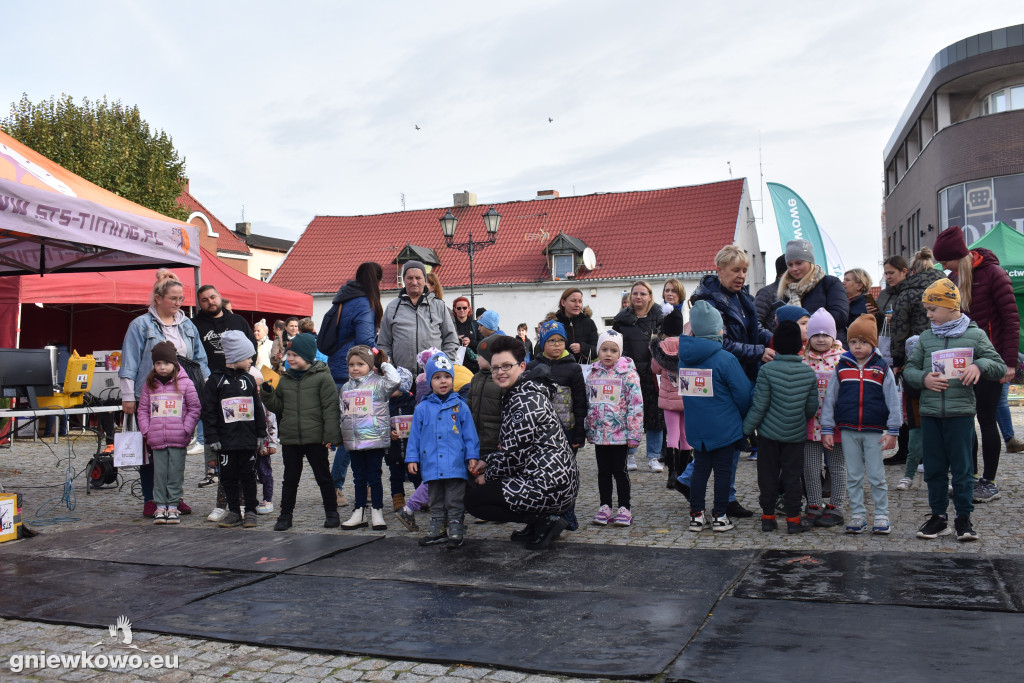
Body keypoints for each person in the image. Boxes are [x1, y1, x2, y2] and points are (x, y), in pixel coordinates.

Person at [903, 279, 1006, 541]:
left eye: (932, 309)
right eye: (927, 309)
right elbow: (910, 369)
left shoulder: (975, 335)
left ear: (951, 307)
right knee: (934, 469)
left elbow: (999, 366)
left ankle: (964, 518)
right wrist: (924, 379)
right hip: (930, 413)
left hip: (961, 414)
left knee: (962, 469)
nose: (928, 315)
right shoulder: (926, 338)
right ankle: (938, 517)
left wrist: (979, 365)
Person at [464, 335, 580, 550]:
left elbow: (515, 457)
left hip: (549, 486)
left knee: (474, 500)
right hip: (550, 480)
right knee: (482, 487)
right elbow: (516, 448)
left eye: (506, 366)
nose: (500, 372)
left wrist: (486, 475)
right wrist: (487, 461)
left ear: (522, 366)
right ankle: (536, 522)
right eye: (495, 368)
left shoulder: (524, 400)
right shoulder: (521, 392)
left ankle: (545, 520)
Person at [683, 245, 773, 518]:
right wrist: (758, 351)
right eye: (736, 270)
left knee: (728, 441)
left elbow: (754, 329)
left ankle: (691, 482)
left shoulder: (741, 298)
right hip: (723, 377)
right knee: (729, 439)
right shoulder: (708, 302)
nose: (742, 275)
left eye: (744, 270)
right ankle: (723, 498)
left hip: (740, 372)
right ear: (719, 270)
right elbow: (721, 343)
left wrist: (779, 338)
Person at [932, 225, 1020, 503]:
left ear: (958, 256)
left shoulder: (995, 274)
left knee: (986, 418)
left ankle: (989, 482)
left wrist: (1009, 363)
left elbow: (1011, 320)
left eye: (945, 260)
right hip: (961, 362)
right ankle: (968, 477)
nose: (942, 266)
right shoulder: (952, 279)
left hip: (991, 360)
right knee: (965, 420)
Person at [119, 269, 208, 518]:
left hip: (180, 396)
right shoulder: (140, 325)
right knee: (152, 449)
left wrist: (206, 388)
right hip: (150, 394)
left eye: (181, 298)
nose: (179, 303)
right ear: (158, 298)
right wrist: (128, 396)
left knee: (176, 449)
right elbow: (129, 362)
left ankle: (174, 497)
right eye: (174, 298)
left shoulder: (188, 324)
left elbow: (200, 359)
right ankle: (151, 499)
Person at [821, 315, 901, 535]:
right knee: (854, 475)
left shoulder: (881, 367)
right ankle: (857, 514)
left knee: (876, 475)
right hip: (848, 430)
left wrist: (893, 430)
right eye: (853, 341)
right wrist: (827, 428)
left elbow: (893, 399)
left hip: (874, 431)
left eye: (863, 342)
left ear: (873, 343)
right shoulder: (842, 367)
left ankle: (881, 515)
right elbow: (830, 399)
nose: (857, 346)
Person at [679, 301, 752, 533]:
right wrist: (742, 417)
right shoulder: (726, 359)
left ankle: (696, 515)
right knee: (723, 472)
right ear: (718, 330)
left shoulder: (683, 359)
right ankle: (720, 515)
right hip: (724, 427)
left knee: (699, 471)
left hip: (697, 427)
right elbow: (744, 394)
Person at [742, 320, 819, 534]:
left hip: (768, 435)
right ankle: (793, 520)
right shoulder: (808, 373)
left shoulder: (767, 371)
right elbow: (811, 407)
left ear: (775, 344)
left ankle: (768, 518)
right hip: (795, 435)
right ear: (799, 345)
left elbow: (759, 405)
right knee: (792, 477)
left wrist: (746, 430)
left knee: (767, 476)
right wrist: (797, 418)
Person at [261, 333, 343, 531]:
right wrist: (267, 393)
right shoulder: (284, 379)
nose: (289, 358)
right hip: (291, 438)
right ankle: (285, 515)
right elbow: (278, 407)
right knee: (290, 479)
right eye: (288, 354)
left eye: (294, 355)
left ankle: (332, 513)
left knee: (323, 477)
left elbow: (330, 408)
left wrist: (331, 436)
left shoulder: (323, 377)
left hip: (316, 438)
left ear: (307, 356)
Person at [323, 261, 384, 508]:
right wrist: (381, 355)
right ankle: (337, 485)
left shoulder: (342, 299)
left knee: (349, 431)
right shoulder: (364, 303)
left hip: (336, 369)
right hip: (354, 373)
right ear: (377, 282)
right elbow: (365, 340)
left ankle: (355, 484)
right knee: (355, 433)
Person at [406, 353, 480, 548]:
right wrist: (412, 458)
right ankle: (437, 528)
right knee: (435, 498)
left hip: (455, 463)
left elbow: (470, 435)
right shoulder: (422, 408)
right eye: (437, 377)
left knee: (455, 498)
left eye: (447, 376)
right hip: (431, 463)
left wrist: (472, 455)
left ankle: (456, 528)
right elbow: (415, 436)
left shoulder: (460, 406)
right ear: (430, 381)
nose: (443, 381)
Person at [193, 284, 258, 495]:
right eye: (204, 300)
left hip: (238, 383)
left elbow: (252, 349)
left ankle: (247, 466)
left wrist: (247, 373)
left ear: (219, 296)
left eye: (213, 297)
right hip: (211, 384)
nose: (210, 302)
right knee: (212, 426)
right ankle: (212, 470)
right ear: (199, 303)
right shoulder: (194, 325)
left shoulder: (237, 321)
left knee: (239, 423)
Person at [202, 331, 267, 529]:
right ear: (236, 357)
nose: (251, 361)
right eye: (248, 357)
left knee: (249, 476)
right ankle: (234, 511)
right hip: (226, 441)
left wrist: (261, 434)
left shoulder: (249, 379)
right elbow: (209, 411)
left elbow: (257, 408)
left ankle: (250, 510)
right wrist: (212, 437)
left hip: (247, 439)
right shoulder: (215, 381)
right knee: (228, 478)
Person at [885, 247, 942, 466]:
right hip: (943, 353)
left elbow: (899, 328)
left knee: (916, 408)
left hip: (916, 357)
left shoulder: (907, 292)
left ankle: (919, 454)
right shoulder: (947, 286)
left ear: (911, 271)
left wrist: (898, 360)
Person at [137, 341, 202, 525]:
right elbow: (143, 410)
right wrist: (147, 430)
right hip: (157, 438)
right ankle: (160, 505)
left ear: (174, 363)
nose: (162, 367)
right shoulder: (149, 385)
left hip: (178, 438)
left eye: (166, 363)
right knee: (159, 474)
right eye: (158, 363)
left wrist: (186, 428)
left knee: (175, 473)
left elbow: (195, 408)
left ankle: (173, 505)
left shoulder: (186, 383)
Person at [585, 330, 643, 527]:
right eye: (604, 349)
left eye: (613, 350)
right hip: (600, 434)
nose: (608, 354)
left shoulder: (628, 375)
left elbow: (635, 405)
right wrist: (589, 428)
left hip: (620, 433)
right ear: (598, 350)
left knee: (620, 471)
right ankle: (605, 506)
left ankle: (624, 507)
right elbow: (589, 402)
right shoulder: (593, 374)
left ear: (620, 352)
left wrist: (634, 433)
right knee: (603, 471)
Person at [339, 346, 400, 531]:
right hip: (354, 441)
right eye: (351, 364)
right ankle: (359, 511)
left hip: (374, 440)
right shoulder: (345, 387)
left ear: (370, 365)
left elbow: (395, 380)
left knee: (374, 477)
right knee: (358, 478)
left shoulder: (379, 384)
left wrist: (384, 364)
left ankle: (377, 510)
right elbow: (343, 414)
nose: (355, 368)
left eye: (360, 364)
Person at [613, 280, 665, 473]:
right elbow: (615, 346)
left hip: (653, 372)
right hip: (629, 372)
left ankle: (654, 456)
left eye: (643, 293)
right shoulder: (620, 320)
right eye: (635, 293)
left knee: (655, 415)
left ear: (650, 296)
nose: (638, 297)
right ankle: (630, 454)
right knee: (629, 413)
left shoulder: (660, 317)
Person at [801, 308, 847, 527]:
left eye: (825, 335)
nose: (820, 339)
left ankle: (836, 506)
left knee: (836, 466)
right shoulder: (803, 360)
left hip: (835, 425)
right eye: (816, 335)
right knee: (810, 467)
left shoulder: (843, 360)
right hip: (810, 424)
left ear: (833, 336)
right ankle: (814, 504)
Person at [378, 261, 459, 375]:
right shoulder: (392, 308)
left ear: (424, 279)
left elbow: (451, 340)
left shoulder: (439, 306)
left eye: (418, 278)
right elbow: (384, 344)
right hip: (401, 377)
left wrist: (443, 366)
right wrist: (391, 370)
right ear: (404, 279)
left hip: (434, 376)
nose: (414, 282)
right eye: (409, 278)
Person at [650, 307, 690, 488]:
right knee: (685, 436)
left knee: (672, 435)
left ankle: (672, 474)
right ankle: (684, 474)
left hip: (668, 399)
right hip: (686, 397)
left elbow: (655, 369)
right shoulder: (687, 344)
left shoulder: (661, 346)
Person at [777, 238, 849, 338]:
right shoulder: (785, 290)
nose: (794, 268)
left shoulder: (830, 283)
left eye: (799, 263)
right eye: (790, 264)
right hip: (795, 343)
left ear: (810, 262)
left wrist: (803, 320)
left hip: (827, 342)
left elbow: (840, 316)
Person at [538, 287, 600, 363]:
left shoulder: (589, 323)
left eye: (580, 301)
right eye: (573, 301)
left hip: (583, 368)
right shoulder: (553, 324)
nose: (577, 305)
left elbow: (597, 350)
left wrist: (582, 347)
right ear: (563, 302)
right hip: (557, 367)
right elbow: (542, 349)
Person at [868, 255, 909, 330]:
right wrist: (872, 314)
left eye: (891, 273)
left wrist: (897, 320)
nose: (888, 277)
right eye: (886, 274)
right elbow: (877, 324)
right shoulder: (883, 294)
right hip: (883, 336)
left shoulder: (912, 293)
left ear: (904, 272)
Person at [755, 255, 787, 329]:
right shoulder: (767, 293)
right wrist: (772, 336)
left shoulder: (799, 291)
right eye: (790, 266)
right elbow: (755, 322)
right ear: (782, 274)